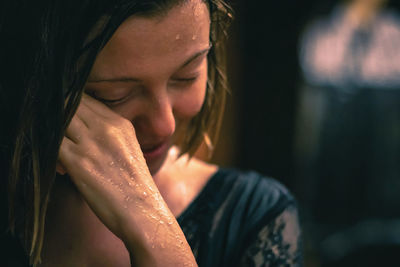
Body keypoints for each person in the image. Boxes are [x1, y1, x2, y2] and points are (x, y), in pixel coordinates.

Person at [0, 0, 302, 266]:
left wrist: (152, 231)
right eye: (114, 95)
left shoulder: (255, 220)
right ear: (34, 83)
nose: (164, 125)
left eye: (187, 77)